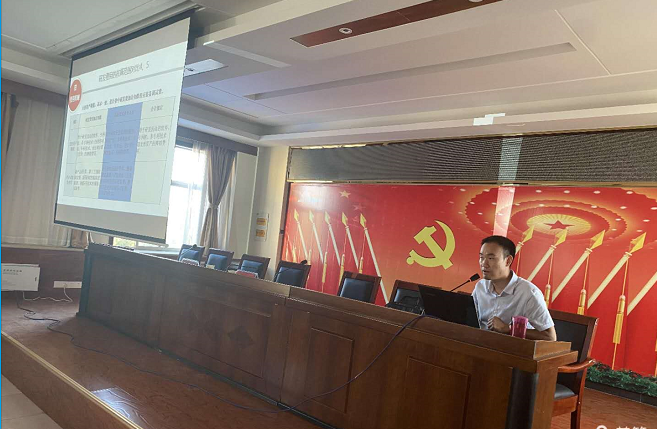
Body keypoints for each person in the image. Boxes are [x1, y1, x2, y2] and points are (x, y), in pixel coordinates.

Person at [472, 235, 557, 341]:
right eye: (481, 257)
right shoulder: (480, 287)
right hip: (480, 345)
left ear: (508, 261)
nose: (484, 263)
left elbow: (550, 337)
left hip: (513, 349)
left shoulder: (529, 293)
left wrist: (509, 329)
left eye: (491, 258)